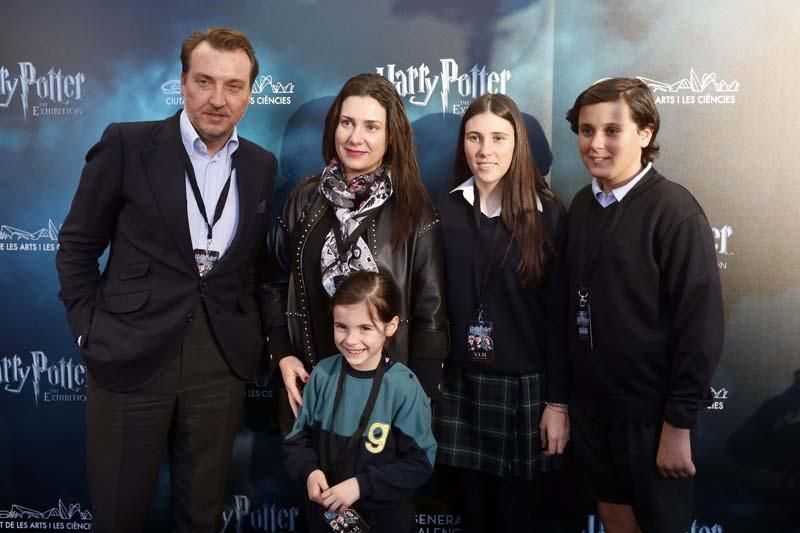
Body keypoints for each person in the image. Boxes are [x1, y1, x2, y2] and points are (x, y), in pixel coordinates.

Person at [55, 28, 276, 533]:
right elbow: (77, 246)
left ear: (249, 93)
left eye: (233, 86)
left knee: (201, 516)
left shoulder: (262, 165)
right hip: (129, 350)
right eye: (204, 81)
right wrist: (89, 329)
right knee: (118, 512)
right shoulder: (127, 144)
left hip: (218, 360)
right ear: (182, 82)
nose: (218, 99)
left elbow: (252, 266)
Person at [564, 77, 724, 533]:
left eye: (612, 130)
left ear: (646, 133)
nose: (596, 144)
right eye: (586, 130)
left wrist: (678, 424)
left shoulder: (674, 210)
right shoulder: (580, 206)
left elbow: (701, 328)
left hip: (654, 420)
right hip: (595, 414)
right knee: (614, 521)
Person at [265, 73, 447, 427]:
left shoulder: (414, 207)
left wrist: (419, 398)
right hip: (309, 389)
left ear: (391, 135)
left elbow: (432, 313)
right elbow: (271, 283)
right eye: (347, 123)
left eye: (371, 126)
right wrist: (282, 356)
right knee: (312, 481)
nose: (355, 137)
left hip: (387, 398)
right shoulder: (303, 200)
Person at [433, 93, 570, 533]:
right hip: (458, 385)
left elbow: (560, 319)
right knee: (470, 516)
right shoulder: (443, 211)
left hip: (525, 391)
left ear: (518, 145)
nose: (484, 150)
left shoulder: (548, 215)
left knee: (518, 518)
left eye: (497, 137)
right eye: (474, 137)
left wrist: (557, 402)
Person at [283, 270, 436, 533]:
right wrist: (309, 472)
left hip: (384, 522)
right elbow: (297, 441)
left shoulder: (404, 386)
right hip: (323, 519)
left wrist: (359, 486)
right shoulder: (322, 375)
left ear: (391, 326)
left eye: (365, 328)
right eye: (341, 326)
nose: (351, 340)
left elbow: (419, 464)